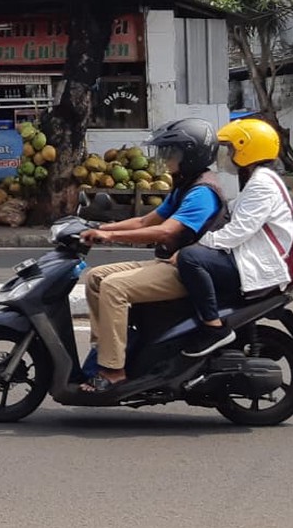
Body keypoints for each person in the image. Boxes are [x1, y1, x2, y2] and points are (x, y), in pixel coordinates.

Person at [77, 118, 226, 392]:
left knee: (114, 287)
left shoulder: (203, 192)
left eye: (173, 153)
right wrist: (98, 228)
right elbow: (146, 222)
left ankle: (114, 372)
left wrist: (111, 237)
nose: (167, 160)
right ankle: (105, 353)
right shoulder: (185, 185)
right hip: (169, 263)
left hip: (185, 271)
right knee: (96, 278)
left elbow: (165, 232)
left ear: (191, 155)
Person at [173, 118, 293, 358]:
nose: (228, 154)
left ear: (247, 149)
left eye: (232, 149)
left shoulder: (262, 184)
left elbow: (238, 231)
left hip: (257, 265)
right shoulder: (258, 179)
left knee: (191, 258)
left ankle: (214, 328)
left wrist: (197, 244)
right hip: (250, 255)